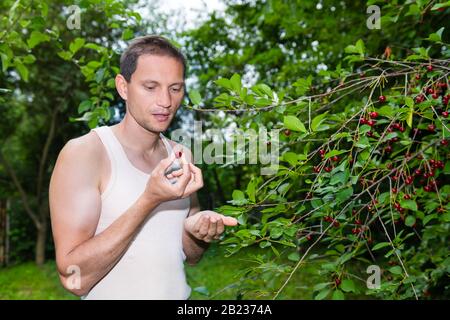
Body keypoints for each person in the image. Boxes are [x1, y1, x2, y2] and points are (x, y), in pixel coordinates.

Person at [49, 35, 238, 299]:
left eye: (175, 88)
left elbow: (190, 256)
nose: (166, 101)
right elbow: (73, 278)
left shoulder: (180, 155)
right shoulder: (86, 153)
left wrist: (198, 231)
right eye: (150, 87)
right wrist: (149, 199)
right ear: (123, 87)